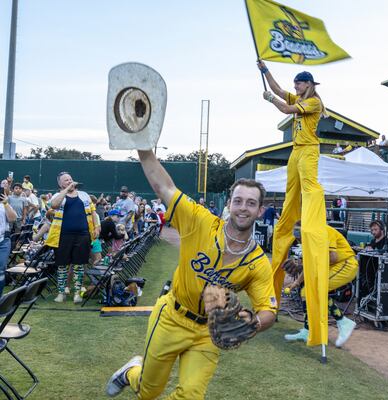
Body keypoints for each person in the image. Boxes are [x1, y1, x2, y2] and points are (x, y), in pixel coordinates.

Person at [106, 148, 277, 399]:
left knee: (191, 395)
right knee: (147, 392)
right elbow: (165, 187)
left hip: (208, 331)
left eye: (251, 203)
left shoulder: (258, 262)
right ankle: (133, 371)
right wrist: (144, 150)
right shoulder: (200, 221)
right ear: (229, 204)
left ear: (260, 210)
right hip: (172, 317)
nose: (243, 208)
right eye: (238, 201)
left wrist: (250, 326)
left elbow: (269, 310)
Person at [257, 59, 330, 345]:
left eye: (299, 83)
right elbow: (277, 88)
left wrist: (271, 99)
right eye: (296, 83)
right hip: (295, 151)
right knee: (291, 194)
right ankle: (289, 220)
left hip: (309, 150)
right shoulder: (299, 96)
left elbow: (286, 109)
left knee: (310, 187)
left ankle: (312, 219)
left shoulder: (313, 103)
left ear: (308, 84)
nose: (296, 86)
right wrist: (265, 72)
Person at [284, 224, 357, 347]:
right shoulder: (309, 240)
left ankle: (343, 322)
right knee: (305, 292)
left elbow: (333, 257)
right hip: (333, 266)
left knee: (318, 289)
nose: (300, 240)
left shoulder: (325, 231)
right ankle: (307, 331)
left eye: (300, 236)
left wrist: (313, 262)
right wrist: (296, 283)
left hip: (346, 264)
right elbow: (309, 265)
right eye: (297, 237)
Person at [47, 172, 99, 303]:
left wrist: (97, 226)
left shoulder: (84, 195)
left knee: (79, 265)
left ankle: (77, 293)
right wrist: (65, 190)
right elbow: (54, 205)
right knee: (62, 266)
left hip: (83, 235)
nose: (70, 181)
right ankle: (61, 293)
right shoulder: (58, 196)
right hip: (62, 236)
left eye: (70, 179)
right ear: (60, 184)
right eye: (66, 180)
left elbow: (93, 212)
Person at [0, 193, 17, 295]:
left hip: (3, 241)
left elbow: (12, 219)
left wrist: (6, 203)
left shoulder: (4, 204)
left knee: (1, 270)